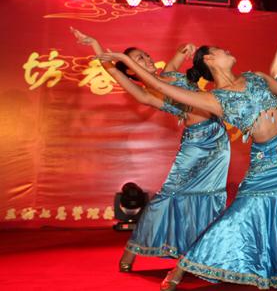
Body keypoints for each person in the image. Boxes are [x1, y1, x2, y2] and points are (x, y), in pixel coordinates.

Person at [98, 46, 277, 290]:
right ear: (208, 59)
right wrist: (120, 59)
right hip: (264, 157)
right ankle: (184, 264)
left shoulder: (256, 77)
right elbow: (158, 87)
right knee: (240, 210)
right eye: (219, 50)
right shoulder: (213, 99)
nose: (227, 49)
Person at [71, 28, 230, 272]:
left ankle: (203, 253)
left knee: (211, 195)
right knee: (168, 195)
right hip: (196, 143)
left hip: (218, 138)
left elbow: (175, 61)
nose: (146, 58)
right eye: (139, 59)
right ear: (130, 70)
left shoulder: (167, 75)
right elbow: (113, 70)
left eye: (145, 55)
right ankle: (131, 251)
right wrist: (95, 44)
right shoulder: (149, 90)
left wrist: (183, 50)